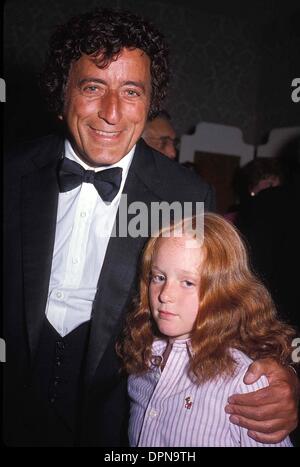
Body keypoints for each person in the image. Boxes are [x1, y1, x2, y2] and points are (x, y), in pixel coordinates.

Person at [3, 8, 298, 447]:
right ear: (61, 92)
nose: (111, 113)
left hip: (118, 421)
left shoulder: (186, 196)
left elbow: (221, 304)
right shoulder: (10, 173)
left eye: (131, 91)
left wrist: (285, 373)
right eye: (92, 87)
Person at [117, 214, 296, 447]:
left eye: (187, 282)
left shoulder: (245, 383)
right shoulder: (143, 362)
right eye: (159, 277)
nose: (165, 294)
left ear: (225, 292)